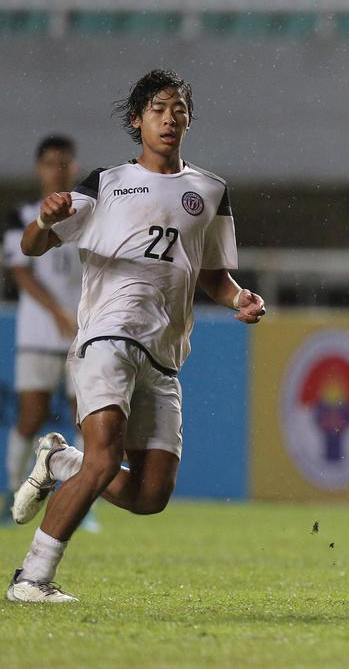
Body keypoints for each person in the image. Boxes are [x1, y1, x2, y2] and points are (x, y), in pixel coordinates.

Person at [6, 69, 266, 603]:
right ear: (137, 120)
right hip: (109, 336)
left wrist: (241, 297)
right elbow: (33, 247)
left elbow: (213, 273)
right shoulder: (104, 183)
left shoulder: (211, 190)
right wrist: (45, 219)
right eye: (157, 109)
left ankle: (60, 462)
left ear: (189, 119)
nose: (169, 118)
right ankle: (31, 578)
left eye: (178, 108)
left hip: (165, 353)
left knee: (151, 496)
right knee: (104, 458)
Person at [2, 136, 87, 528]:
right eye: (52, 163)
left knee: (84, 417)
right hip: (38, 333)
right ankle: (13, 489)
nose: (59, 169)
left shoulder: (86, 212)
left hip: (82, 333)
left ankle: (80, 499)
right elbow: (19, 270)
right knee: (31, 414)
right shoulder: (23, 215)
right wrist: (56, 312)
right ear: (40, 168)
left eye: (65, 163)